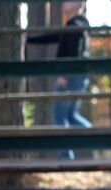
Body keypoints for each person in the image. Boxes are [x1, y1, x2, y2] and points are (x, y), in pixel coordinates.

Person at [26, 1, 91, 159]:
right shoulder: (78, 24)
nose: (63, 2)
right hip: (79, 75)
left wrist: (64, 74)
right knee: (70, 116)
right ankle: (97, 138)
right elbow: (54, 37)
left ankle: (66, 156)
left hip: (70, 75)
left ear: (77, 4)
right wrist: (30, 39)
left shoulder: (75, 25)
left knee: (59, 116)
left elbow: (74, 51)